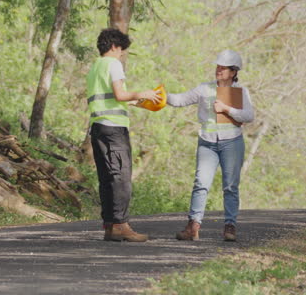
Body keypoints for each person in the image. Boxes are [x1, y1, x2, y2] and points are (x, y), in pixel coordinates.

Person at [166, 50, 254, 242]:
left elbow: (249, 116)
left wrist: (226, 109)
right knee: (201, 183)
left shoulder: (241, 92)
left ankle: (230, 227)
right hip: (207, 142)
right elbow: (180, 100)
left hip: (232, 142)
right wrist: (161, 96)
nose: (218, 70)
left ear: (233, 72)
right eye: (218, 66)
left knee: (231, 186)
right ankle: (193, 226)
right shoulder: (204, 89)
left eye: (223, 68)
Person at [87, 28, 162, 242]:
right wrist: (143, 93)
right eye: (121, 50)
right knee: (121, 176)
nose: (122, 54)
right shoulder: (113, 64)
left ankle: (110, 225)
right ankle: (122, 224)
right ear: (114, 46)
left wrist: (141, 103)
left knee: (106, 177)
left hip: (98, 127)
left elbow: (114, 97)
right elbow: (120, 94)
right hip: (114, 128)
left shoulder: (95, 67)